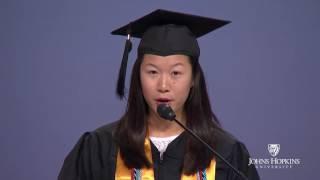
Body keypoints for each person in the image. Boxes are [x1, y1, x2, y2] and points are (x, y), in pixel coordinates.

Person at [58, 9, 260, 180]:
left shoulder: (225, 152)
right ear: (138, 76)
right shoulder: (99, 148)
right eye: (152, 72)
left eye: (176, 73)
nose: (163, 85)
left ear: (193, 79)